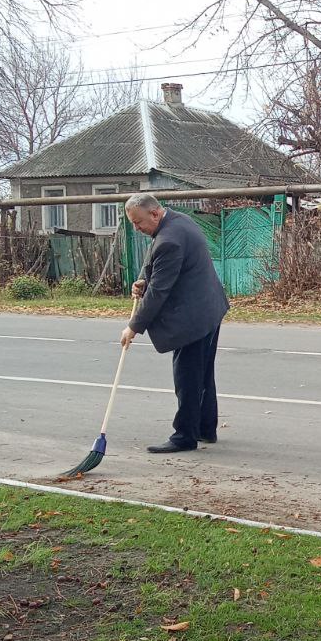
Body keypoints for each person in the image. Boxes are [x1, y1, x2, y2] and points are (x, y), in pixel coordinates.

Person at [119, 193, 229, 453]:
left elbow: (159, 291)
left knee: (187, 376)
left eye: (138, 222)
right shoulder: (180, 221)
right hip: (208, 308)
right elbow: (166, 272)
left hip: (193, 317)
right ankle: (204, 428)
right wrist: (144, 282)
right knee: (202, 373)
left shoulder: (169, 240)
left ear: (155, 214)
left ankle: (184, 436)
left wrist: (133, 326)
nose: (137, 228)